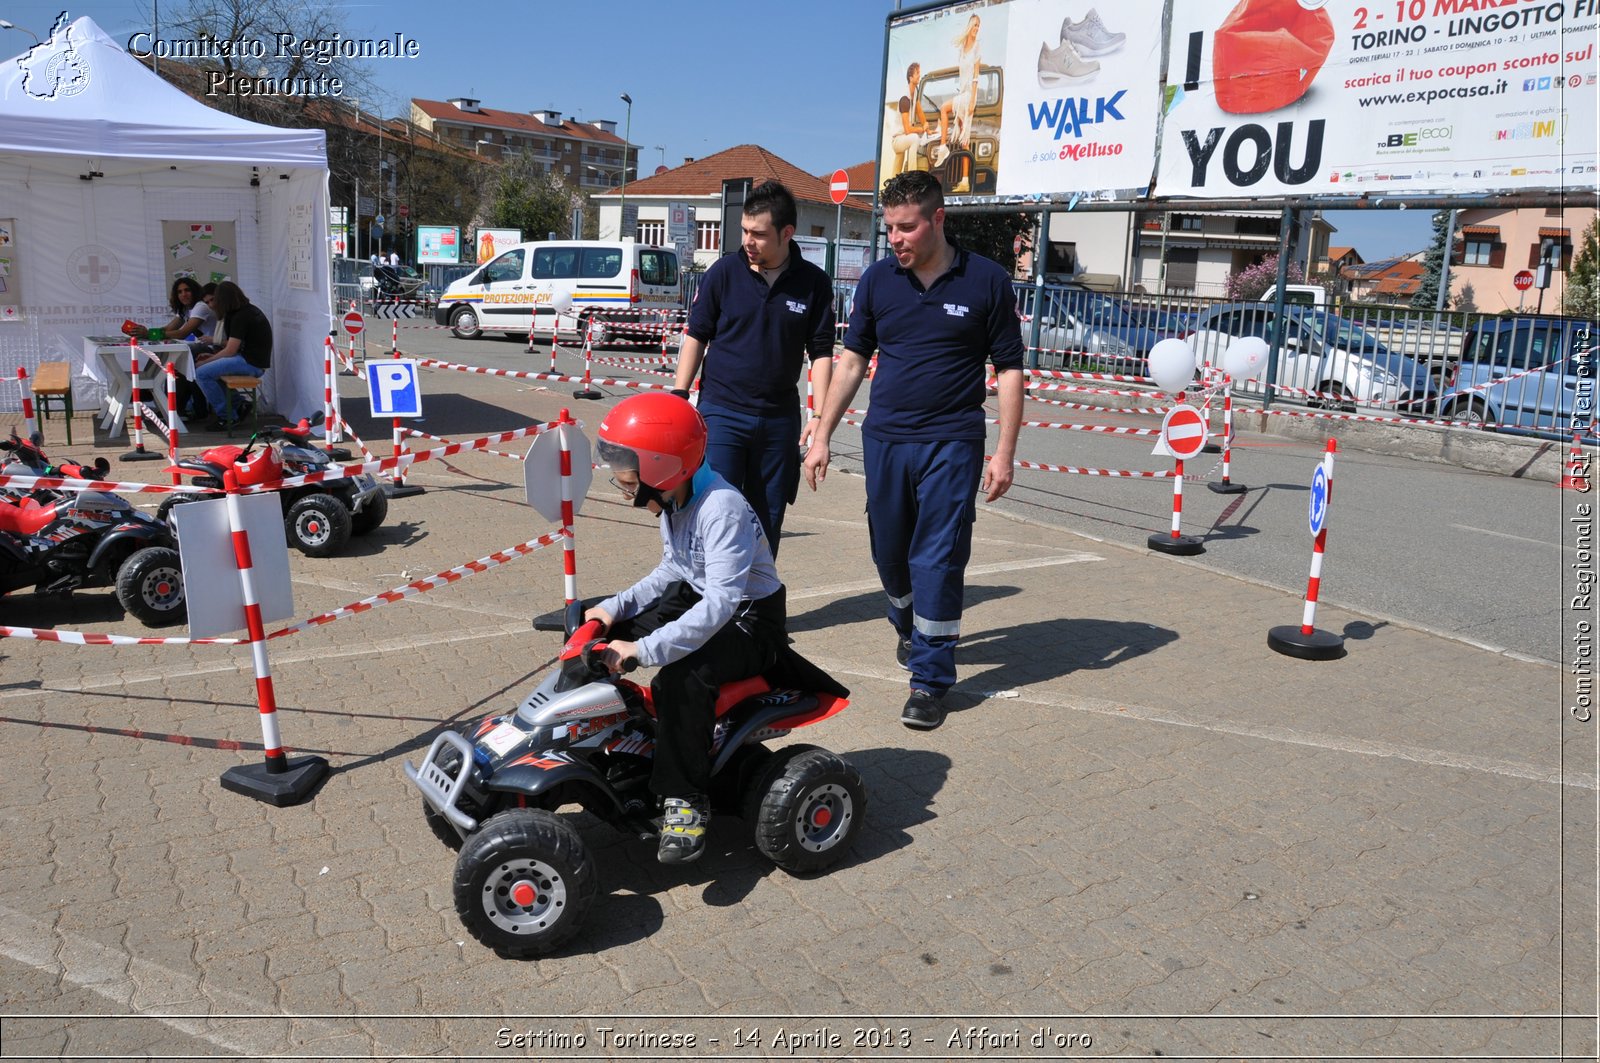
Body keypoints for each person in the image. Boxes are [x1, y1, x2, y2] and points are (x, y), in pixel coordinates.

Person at [801, 171, 1023, 731]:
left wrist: (1005, 451)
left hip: (953, 441)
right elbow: (851, 363)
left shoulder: (988, 281)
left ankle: (929, 679)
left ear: (938, 219)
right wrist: (822, 432)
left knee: (938, 556)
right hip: (886, 440)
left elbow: (1011, 370)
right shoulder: (877, 282)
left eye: (906, 227)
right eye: (889, 228)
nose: (894, 238)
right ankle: (907, 623)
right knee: (890, 553)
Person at [585, 393, 788, 864]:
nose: (619, 480)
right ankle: (610, 735)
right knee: (597, 634)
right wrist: (611, 611)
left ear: (661, 467)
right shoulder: (676, 498)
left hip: (751, 621)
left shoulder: (721, 508)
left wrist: (644, 649)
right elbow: (671, 571)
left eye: (626, 470)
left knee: (680, 675)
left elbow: (721, 602)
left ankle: (686, 801)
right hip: (704, 598)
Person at [672, 180, 836, 557]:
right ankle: (711, 603)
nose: (748, 240)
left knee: (767, 518)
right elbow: (697, 335)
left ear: (787, 233)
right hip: (722, 413)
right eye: (745, 230)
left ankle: (758, 607)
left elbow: (822, 352)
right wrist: (680, 395)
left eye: (759, 234)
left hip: (778, 423)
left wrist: (820, 415)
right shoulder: (724, 272)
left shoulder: (814, 284)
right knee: (716, 511)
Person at [194, 281, 271, 430]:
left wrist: (207, 361)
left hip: (251, 363)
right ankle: (237, 404)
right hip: (252, 360)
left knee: (201, 373)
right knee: (210, 372)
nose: (211, 305)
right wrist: (211, 359)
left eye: (213, 300)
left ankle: (227, 417)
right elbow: (232, 346)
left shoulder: (239, 316)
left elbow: (230, 350)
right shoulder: (246, 311)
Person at [936, 14, 982, 194]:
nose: (977, 28)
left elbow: (976, 77)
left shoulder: (977, 47)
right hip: (962, 93)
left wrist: (972, 102)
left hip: (969, 95)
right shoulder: (963, 48)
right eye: (975, 25)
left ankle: (943, 148)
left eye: (979, 26)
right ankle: (964, 181)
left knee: (944, 109)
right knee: (964, 142)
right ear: (969, 26)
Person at [885, 61, 931, 180]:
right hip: (898, 140)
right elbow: (908, 129)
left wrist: (927, 126)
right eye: (917, 73)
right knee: (914, 138)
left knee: (895, 173)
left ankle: (892, 185)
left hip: (904, 137)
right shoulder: (904, 99)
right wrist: (921, 129)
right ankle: (912, 177)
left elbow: (919, 110)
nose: (919, 75)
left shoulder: (914, 91)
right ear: (911, 78)